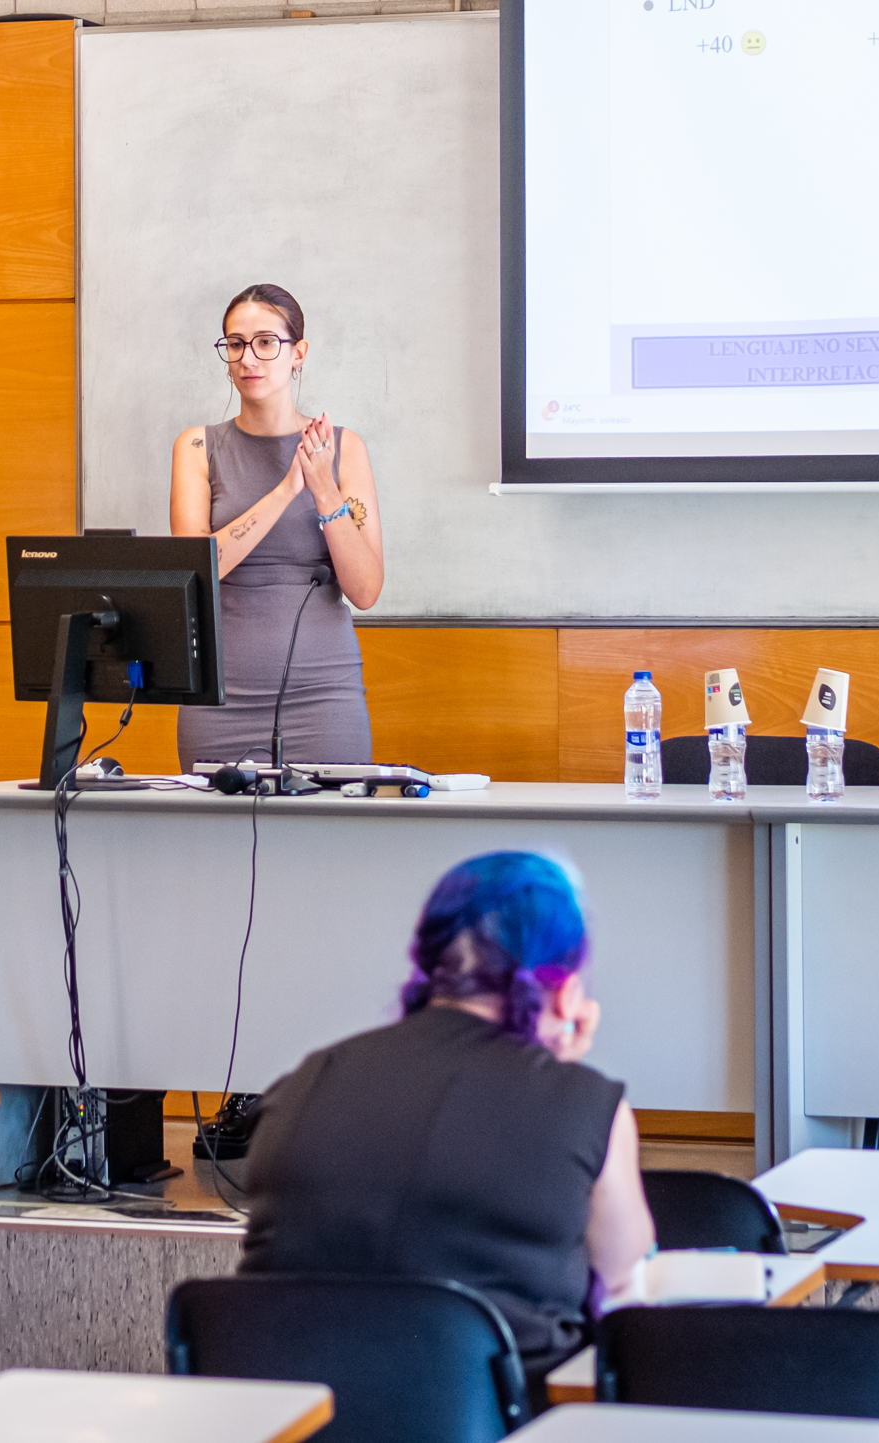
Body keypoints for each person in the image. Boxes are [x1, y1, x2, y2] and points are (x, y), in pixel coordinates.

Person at [236, 852, 656, 1406]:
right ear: (565, 986)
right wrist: (558, 1072)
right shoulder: (588, 1106)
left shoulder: (306, 1079)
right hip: (509, 1424)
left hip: (297, 1422)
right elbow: (622, 1280)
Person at [169, 283, 383, 774]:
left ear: (298, 353)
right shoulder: (197, 447)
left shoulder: (343, 448)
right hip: (220, 697)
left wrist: (323, 489)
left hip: (324, 696)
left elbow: (366, 590)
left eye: (266, 342)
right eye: (236, 344)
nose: (249, 358)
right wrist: (286, 490)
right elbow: (194, 573)